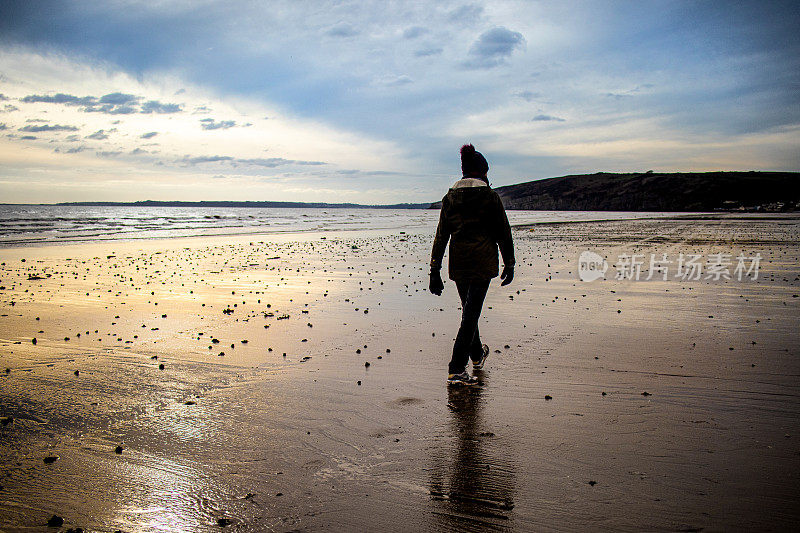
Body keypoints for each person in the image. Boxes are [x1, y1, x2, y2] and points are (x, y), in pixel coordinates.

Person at [429, 144, 515, 386]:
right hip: (482, 264)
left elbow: (441, 236)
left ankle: (477, 356)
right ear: (481, 172)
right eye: (486, 172)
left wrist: (434, 270)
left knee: (469, 312)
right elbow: (503, 233)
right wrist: (509, 263)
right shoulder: (490, 197)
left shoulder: (450, 199)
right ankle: (456, 368)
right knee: (470, 314)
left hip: (458, 265)